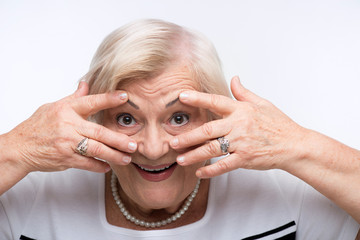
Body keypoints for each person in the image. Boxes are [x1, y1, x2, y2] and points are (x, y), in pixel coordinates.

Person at [0, 19, 359, 239]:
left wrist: (296, 144)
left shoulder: (283, 195)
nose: (153, 149)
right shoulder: (32, 197)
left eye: (179, 117)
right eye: (127, 118)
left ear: (214, 116)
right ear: (96, 119)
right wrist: (17, 149)